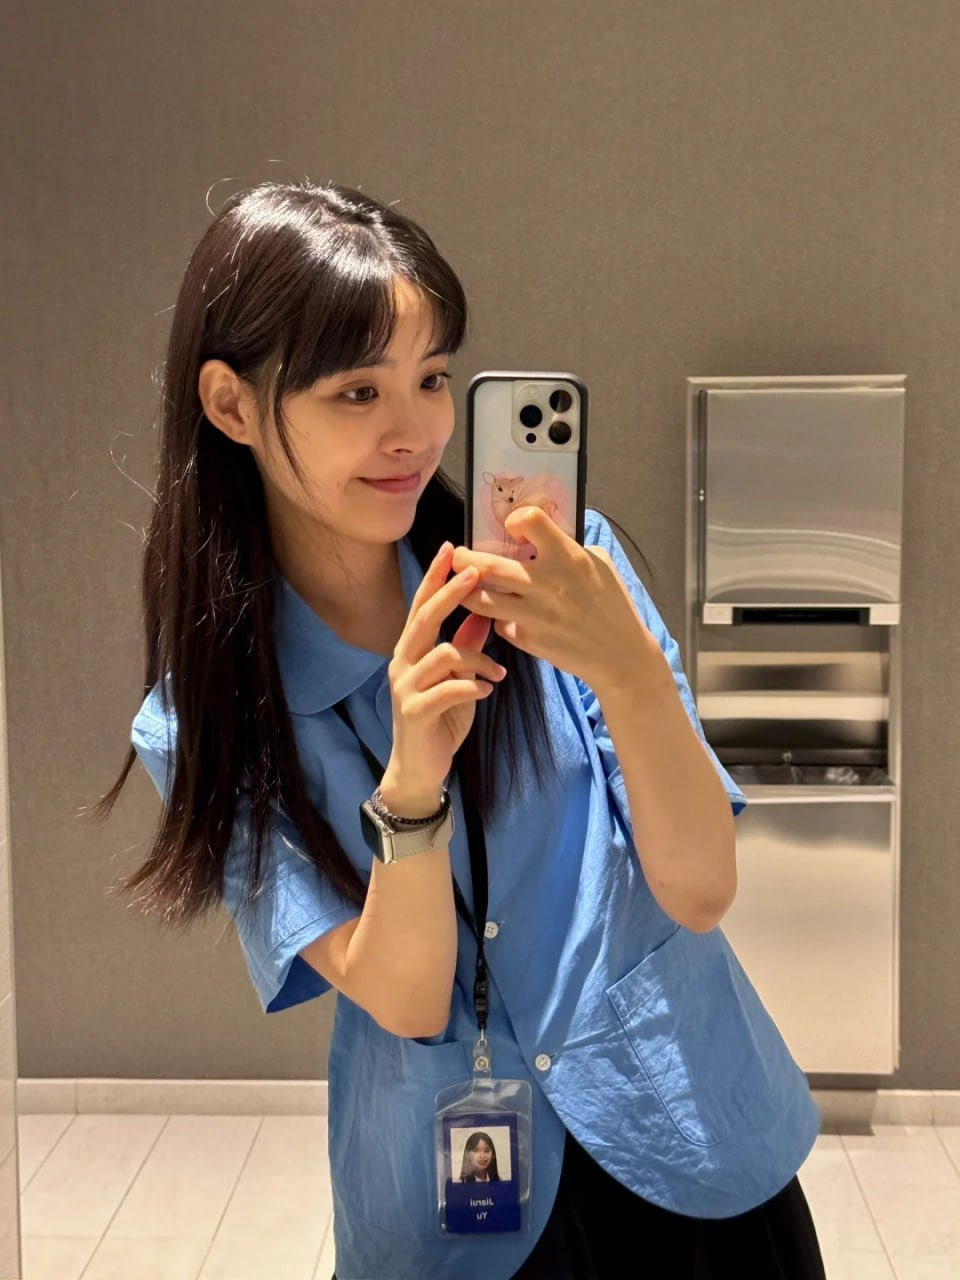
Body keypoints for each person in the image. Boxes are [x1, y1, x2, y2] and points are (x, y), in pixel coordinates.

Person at [97, 178, 827, 1279]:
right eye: (357, 391)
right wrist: (411, 787)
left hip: (690, 1143)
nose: (415, 432)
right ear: (232, 405)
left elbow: (700, 888)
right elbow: (400, 992)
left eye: (432, 377)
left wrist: (627, 671)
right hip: (454, 1219)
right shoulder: (209, 715)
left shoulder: (567, 578)